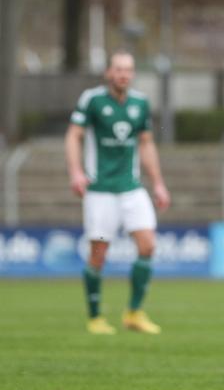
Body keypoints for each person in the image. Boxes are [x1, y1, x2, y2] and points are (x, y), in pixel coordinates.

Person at [65, 51, 171, 335]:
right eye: (119, 69)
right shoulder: (93, 100)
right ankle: (95, 317)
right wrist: (76, 172)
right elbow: (74, 135)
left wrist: (158, 183)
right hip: (100, 191)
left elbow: (146, 144)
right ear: (108, 73)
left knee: (148, 246)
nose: (124, 74)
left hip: (132, 189)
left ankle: (134, 312)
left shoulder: (140, 103)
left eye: (129, 69)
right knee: (99, 254)